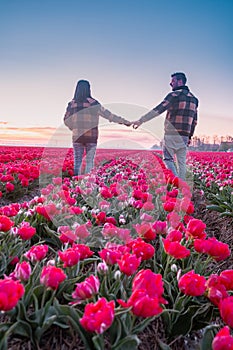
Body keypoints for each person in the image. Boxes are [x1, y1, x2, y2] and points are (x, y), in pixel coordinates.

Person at [132, 72, 198, 180]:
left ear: (180, 81)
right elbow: (194, 121)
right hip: (184, 136)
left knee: (168, 159)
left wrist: (141, 120)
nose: (170, 83)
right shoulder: (194, 99)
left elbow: (159, 109)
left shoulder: (173, 95)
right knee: (181, 162)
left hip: (172, 134)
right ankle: (182, 186)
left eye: (173, 81)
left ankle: (175, 182)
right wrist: (190, 136)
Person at [64, 80, 131, 176]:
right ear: (88, 89)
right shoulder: (93, 103)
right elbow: (109, 115)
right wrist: (125, 122)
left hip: (77, 136)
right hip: (91, 136)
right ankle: (87, 186)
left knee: (77, 161)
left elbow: (66, 120)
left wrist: (74, 128)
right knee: (89, 161)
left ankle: (75, 185)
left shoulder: (72, 104)